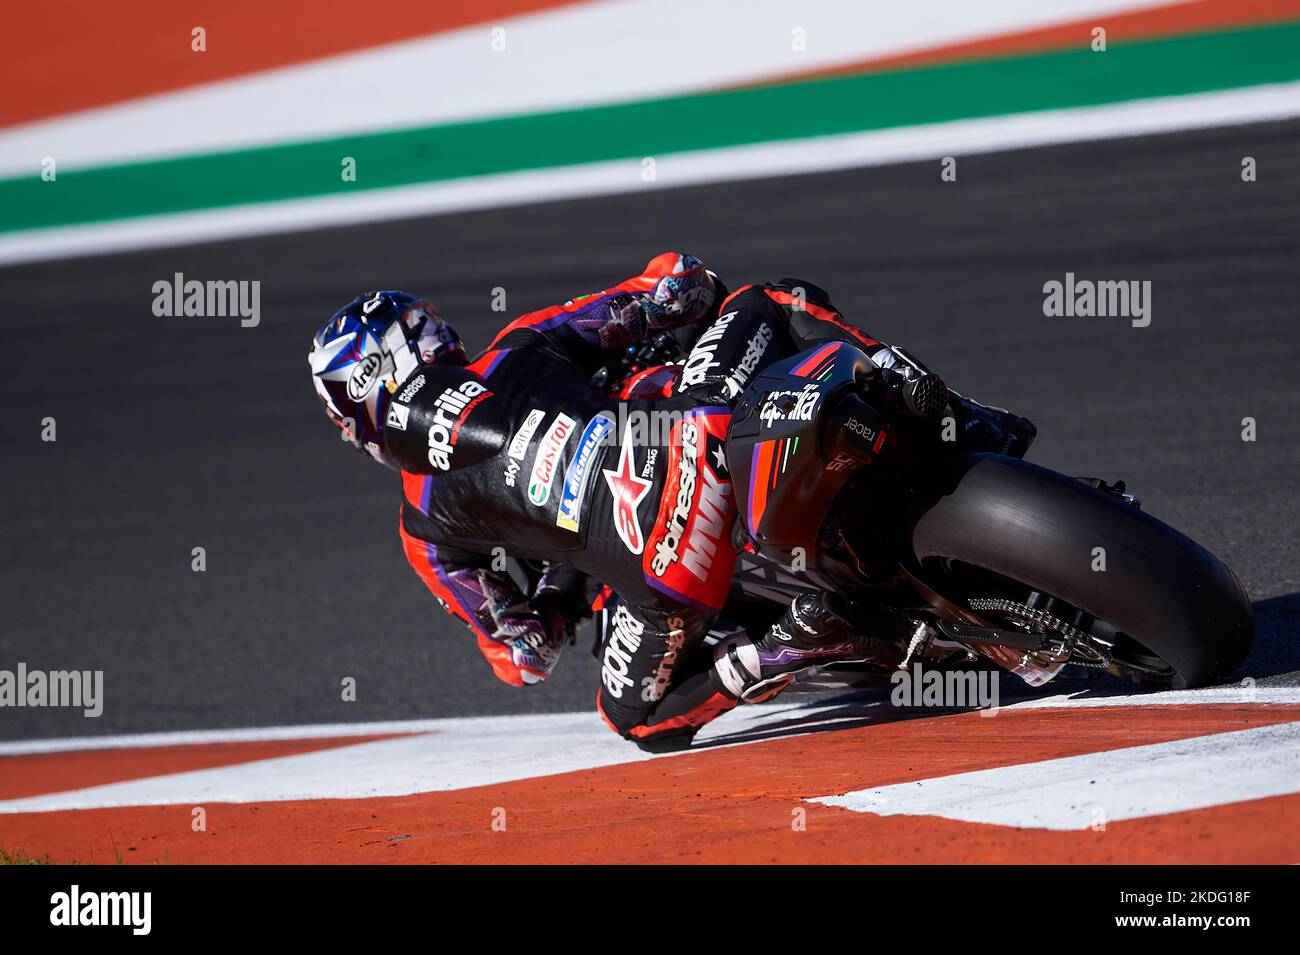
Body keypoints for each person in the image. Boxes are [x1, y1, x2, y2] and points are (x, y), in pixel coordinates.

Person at [308, 254, 1035, 750]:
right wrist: (681, 290)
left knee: (635, 721)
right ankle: (961, 417)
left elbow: (525, 654)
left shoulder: (422, 529)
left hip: (666, 573)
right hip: (702, 432)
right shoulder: (516, 344)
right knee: (777, 297)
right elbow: (674, 291)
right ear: (422, 341)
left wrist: (558, 590)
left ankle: (788, 642)